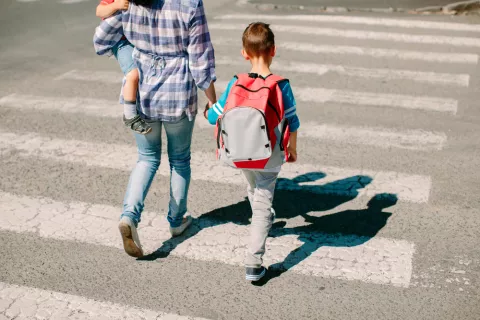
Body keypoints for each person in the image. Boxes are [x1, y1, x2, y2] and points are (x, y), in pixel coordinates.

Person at [94, 0, 217, 258]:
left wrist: (131, 59)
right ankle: (176, 220)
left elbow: (101, 40)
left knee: (146, 159)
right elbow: (200, 57)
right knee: (180, 160)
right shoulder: (189, 4)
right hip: (178, 93)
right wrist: (212, 101)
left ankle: (129, 215)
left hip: (143, 94)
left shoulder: (131, 2)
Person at [205, 22, 300, 281]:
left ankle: (264, 216)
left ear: (244, 53)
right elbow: (293, 121)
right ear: (274, 51)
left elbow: (214, 117)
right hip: (268, 155)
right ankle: (254, 263)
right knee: (262, 205)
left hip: (239, 155)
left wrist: (208, 109)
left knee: (253, 190)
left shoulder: (237, 83)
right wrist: (292, 147)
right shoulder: (281, 85)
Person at [95, 0, 151, 135]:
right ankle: (130, 115)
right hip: (120, 41)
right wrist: (115, 5)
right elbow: (99, 11)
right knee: (133, 73)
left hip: (141, 38)